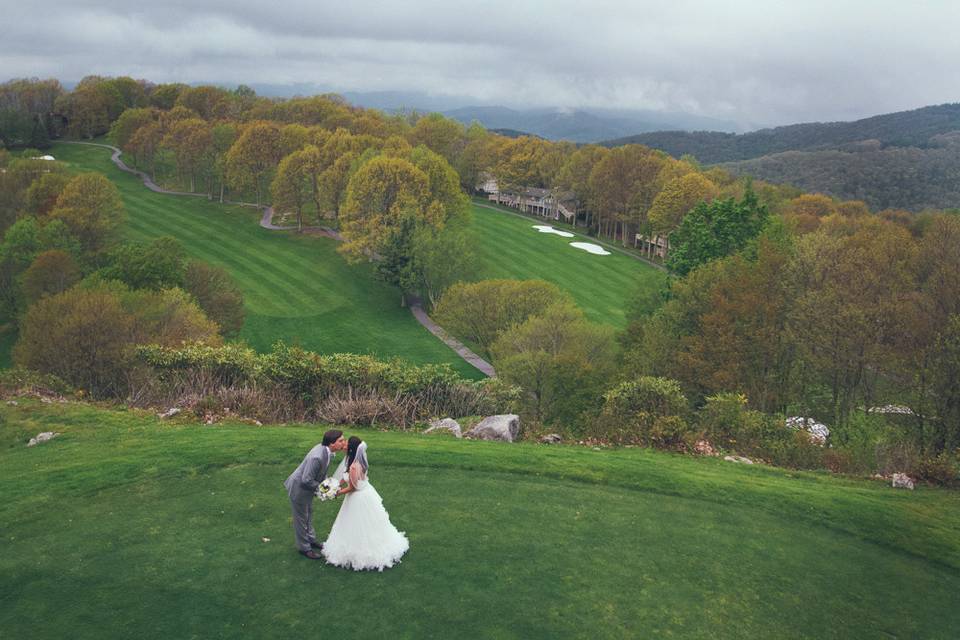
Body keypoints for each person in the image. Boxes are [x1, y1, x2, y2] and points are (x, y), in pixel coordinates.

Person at [321, 436, 409, 571]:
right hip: (366, 492)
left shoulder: (354, 467)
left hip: (358, 497)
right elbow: (346, 478)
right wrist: (334, 485)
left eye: (347, 444)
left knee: (357, 524)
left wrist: (336, 493)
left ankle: (362, 552)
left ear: (351, 449)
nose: (344, 445)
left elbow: (352, 487)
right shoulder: (353, 461)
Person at [284, 429, 348, 559]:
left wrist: (326, 484)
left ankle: (311, 540)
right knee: (301, 519)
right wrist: (325, 489)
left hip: (306, 490)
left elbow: (320, 472)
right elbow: (306, 479)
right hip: (299, 490)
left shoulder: (326, 451)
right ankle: (304, 548)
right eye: (340, 441)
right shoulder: (317, 457)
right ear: (332, 443)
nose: (343, 443)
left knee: (308, 514)